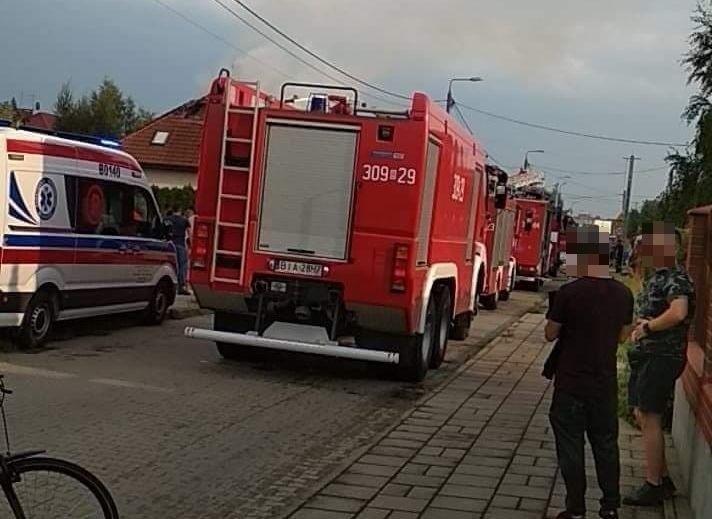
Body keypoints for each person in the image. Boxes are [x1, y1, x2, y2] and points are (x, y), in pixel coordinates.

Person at [545, 227, 635, 519]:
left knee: (571, 446)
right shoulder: (623, 294)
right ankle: (610, 506)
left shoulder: (569, 293)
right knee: (606, 444)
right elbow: (622, 337)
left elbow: (550, 334)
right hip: (603, 382)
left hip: (571, 382)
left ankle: (575, 508)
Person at [623, 222, 695, 506]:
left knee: (650, 416)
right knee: (642, 414)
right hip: (647, 356)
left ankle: (653, 485)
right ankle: (662, 478)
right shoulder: (659, 276)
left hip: (662, 357)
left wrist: (649, 328)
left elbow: (679, 313)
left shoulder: (677, 279)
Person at [165, 207, 191, 295]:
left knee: (169, 265)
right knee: (182, 265)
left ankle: (169, 285)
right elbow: (189, 233)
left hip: (169, 245)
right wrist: (191, 245)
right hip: (180, 245)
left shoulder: (167, 219)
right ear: (180, 211)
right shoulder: (184, 220)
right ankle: (181, 286)